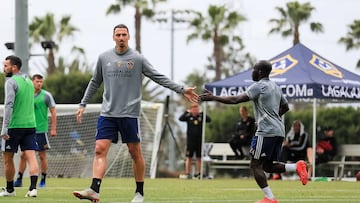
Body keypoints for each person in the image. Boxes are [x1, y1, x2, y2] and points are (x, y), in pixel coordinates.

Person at [72, 24, 198, 203]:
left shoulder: (137, 59)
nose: (121, 37)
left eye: (124, 34)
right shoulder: (104, 57)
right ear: (113, 37)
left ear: (128, 37)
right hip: (107, 113)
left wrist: (182, 89)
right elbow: (94, 82)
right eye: (118, 35)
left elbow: (158, 76)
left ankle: (139, 193)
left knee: (134, 152)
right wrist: (83, 104)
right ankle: (94, 189)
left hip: (130, 114)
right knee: (100, 149)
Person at [200, 60, 308, 203]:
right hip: (279, 131)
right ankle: (296, 166)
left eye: (254, 69)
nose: (252, 72)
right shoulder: (275, 86)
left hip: (266, 132)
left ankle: (270, 198)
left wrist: (213, 97)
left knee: (255, 165)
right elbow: (285, 107)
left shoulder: (259, 86)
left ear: (260, 72)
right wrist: (273, 117)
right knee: (267, 166)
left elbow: (235, 99)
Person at [0, 55, 39, 198]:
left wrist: (5, 127)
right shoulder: (29, 81)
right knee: (31, 156)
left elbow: (9, 105)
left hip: (14, 126)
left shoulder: (11, 82)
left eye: (6, 66)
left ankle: (10, 189)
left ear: (14, 67)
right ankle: (33, 188)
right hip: (30, 125)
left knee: (7, 157)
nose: (4, 69)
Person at [13, 74, 57, 188]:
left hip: (41, 130)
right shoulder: (27, 94)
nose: (39, 84)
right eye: (37, 81)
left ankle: (43, 179)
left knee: (42, 155)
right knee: (23, 155)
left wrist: (53, 128)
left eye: (41, 82)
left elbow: (53, 111)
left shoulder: (46, 95)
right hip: (27, 128)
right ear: (32, 82)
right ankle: (19, 179)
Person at [179, 103, 211, 179]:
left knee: (199, 157)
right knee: (189, 157)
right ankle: (187, 173)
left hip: (199, 140)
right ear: (191, 110)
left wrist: (202, 113)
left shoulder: (201, 117)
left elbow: (209, 120)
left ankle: (199, 173)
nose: (195, 111)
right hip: (190, 141)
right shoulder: (188, 117)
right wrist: (187, 112)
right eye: (194, 109)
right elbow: (180, 118)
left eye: (196, 109)